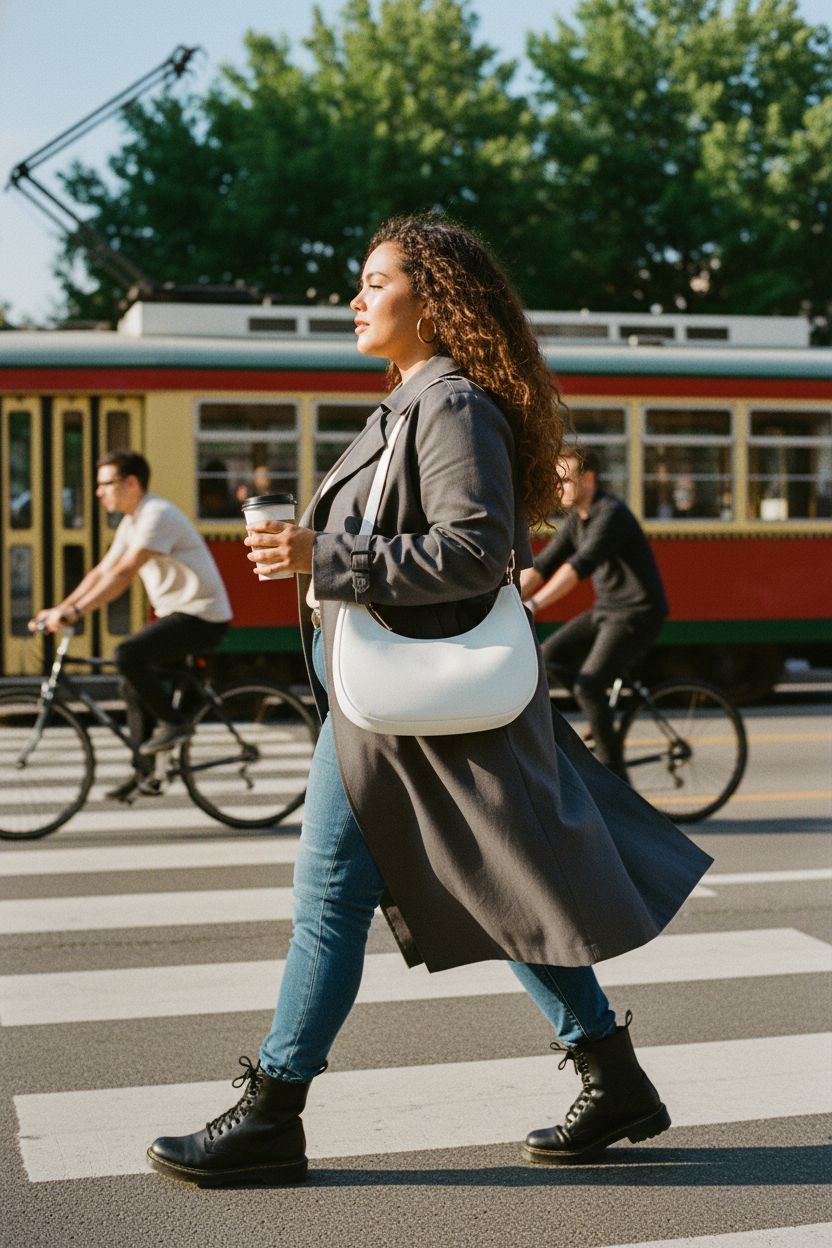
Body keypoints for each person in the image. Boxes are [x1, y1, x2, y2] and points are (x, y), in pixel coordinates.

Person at [146, 215, 710, 1188]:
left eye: (374, 281)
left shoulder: (449, 406)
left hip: (391, 709)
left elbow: (474, 549)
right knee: (499, 884)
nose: (354, 300)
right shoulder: (403, 405)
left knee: (332, 903)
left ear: (433, 299)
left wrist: (323, 556)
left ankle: (274, 1108)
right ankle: (609, 1074)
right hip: (379, 705)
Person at [31, 451, 232, 800]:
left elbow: (124, 574)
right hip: (178, 613)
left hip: (202, 616)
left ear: (131, 483)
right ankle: (146, 773)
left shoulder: (158, 514)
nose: (99, 493)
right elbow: (103, 571)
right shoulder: (132, 521)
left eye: (105, 484)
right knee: (130, 685)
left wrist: (75, 614)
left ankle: (176, 724)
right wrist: (61, 609)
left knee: (126, 654)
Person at [521, 450, 668, 781]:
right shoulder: (577, 520)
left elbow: (577, 567)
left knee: (589, 685)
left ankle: (616, 779)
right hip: (608, 609)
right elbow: (544, 565)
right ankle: (599, 717)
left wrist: (535, 605)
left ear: (588, 479)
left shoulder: (610, 514)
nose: (558, 487)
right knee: (550, 655)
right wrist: (507, 597)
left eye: (565, 480)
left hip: (638, 612)